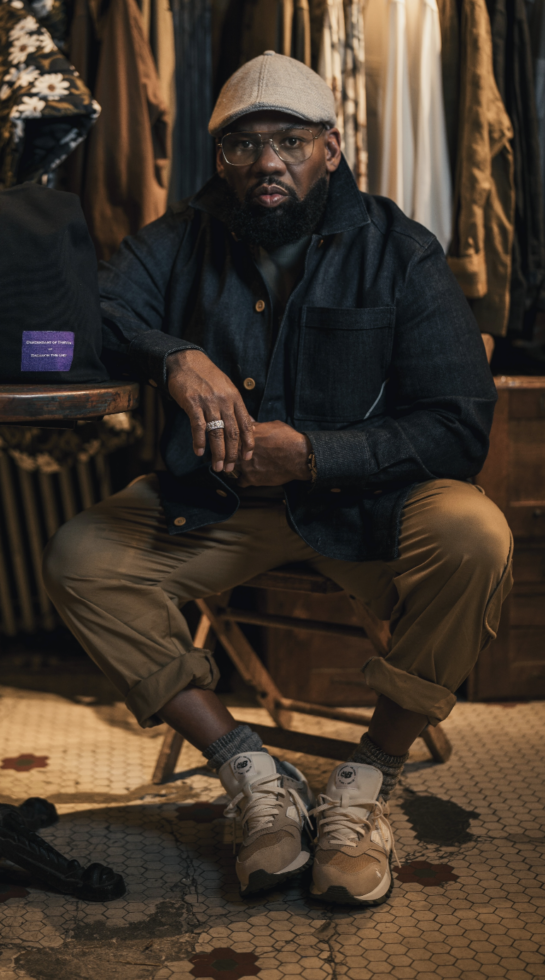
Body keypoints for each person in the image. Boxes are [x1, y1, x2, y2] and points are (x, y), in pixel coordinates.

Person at [43, 51, 513, 906]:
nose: (267, 161)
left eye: (289, 141)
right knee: (82, 557)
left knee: (477, 534)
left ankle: (366, 781)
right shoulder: (178, 239)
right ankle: (251, 772)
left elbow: (458, 425)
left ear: (330, 148)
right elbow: (92, 311)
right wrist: (175, 356)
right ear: (222, 158)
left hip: (366, 506)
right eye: (244, 144)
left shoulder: (401, 252)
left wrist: (317, 454)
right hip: (217, 507)